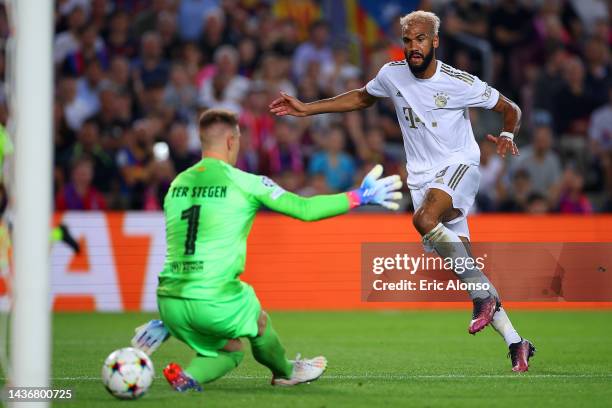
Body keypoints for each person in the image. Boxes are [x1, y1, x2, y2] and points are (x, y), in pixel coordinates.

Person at [269, 10, 535, 372]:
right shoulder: (391, 75)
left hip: (460, 166)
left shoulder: (458, 81)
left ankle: (482, 298)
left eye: (421, 39)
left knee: (424, 219)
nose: (413, 46)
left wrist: (506, 134)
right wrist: (307, 110)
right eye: (408, 40)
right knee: (466, 268)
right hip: (423, 178)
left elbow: (511, 109)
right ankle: (517, 341)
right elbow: (363, 98)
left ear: (435, 41)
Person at [131, 109, 402, 390]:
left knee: (230, 349)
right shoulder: (245, 182)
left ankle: (188, 377)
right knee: (258, 321)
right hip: (213, 298)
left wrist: (167, 321)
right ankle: (286, 371)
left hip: (169, 301)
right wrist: (359, 196)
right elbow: (305, 209)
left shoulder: (177, 185)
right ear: (230, 141)